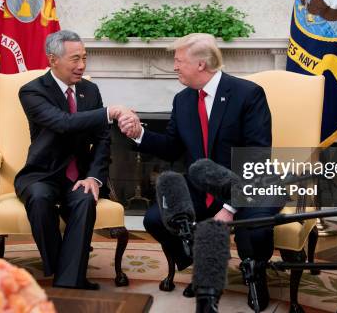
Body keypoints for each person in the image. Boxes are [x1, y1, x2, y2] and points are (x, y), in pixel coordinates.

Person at [119, 33, 281, 311]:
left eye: (179, 61)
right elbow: (171, 147)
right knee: (156, 218)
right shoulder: (183, 101)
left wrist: (230, 208)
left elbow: (257, 157)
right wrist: (139, 134)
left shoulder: (247, 94)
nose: (174, 67)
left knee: (254, 230)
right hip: (202, 187)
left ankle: (256, 277)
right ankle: (202, 265)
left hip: (247, 184)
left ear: (201, 65)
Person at [15, 30, 133, 289]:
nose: (82, 66)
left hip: (78, 175)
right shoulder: (32, 91)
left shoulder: (90, 91)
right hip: (42, 173)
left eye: (85, 58)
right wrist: (109, 112)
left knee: (85, 199)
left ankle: (68, 283)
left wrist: (93, 176)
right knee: (39, 197)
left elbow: (103, 138)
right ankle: (63, 269)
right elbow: (62, 122)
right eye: (75, 59)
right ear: (53, 60)